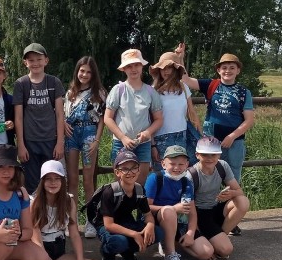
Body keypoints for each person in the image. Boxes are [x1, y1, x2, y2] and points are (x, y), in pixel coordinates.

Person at [177, 45, 254, 183]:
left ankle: (230, 203)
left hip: (235, 141)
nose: (227, 71)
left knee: (233, 176)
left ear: (238, 70)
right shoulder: (210, 85)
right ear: (218, 70)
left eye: (232, 67)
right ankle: (209, 203)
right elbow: (186, 80)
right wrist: (180, 59)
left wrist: (231, 137)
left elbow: (249, 120)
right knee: (208, 174)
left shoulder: (244, 92)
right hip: (211, 139)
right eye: (224, 68)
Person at [145, 145, 215, 260]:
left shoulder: (186, 182)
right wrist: (173, 208)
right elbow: (145, 207)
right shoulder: (155, 178)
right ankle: (170, 254)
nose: (177, 168)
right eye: (172, 163)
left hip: (180, 221)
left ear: (187, 164)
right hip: (158, 219)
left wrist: (190, 233)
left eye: (181, 164)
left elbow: (192, 212)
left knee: (206, 253)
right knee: (169, 211)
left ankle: (172, 243)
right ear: (163, 164)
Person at [31, 160, 99, 260]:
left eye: (57, 178)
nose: (53, 183)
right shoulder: (34, 203)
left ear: (63, 181)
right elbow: (37, 242)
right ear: (42, 181)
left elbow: (74, 234)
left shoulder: (68, 201)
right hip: (40, 253)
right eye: (48, 179)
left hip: (58, 252)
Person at [91, 149, 162, 260]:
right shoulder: (110, 192)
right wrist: (134, 234)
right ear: (117, 172)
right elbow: (108, 225)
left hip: (126, 222)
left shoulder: (139, 190)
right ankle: (107, 252)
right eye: (125, 169)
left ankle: (128, 252)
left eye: (134, 168)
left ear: (139, 170)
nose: (130, 172)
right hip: (106, 225)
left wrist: (150, 225)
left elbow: (148, 214)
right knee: (119, 241)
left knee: (158, 232)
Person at [103, 48, 163, 185]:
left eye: (136, 65)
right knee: (120, 183)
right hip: (120, 142)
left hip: (143, 143)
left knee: (140, 184)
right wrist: (123, 137)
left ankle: (138, 207)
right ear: (123, 69)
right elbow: (108, 118)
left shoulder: (150, 91)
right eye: (129, 66)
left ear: (142, 66)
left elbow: (159, 119)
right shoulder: (118, 90)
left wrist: (148, 132)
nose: (133, 69)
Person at [13, 43, 65, 193]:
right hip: (29, 142)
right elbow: (18, 117)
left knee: (52, 181)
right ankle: (33, 215)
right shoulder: (21, 83)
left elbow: (60, 114)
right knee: (31, 184)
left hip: (50, 140)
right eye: (31, 60)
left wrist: (60, 143)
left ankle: (52, 215)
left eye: (38, 59)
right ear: (25, 63)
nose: (35, 63)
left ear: (46, 60)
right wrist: (21, 145)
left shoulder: (54, 82)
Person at [63, 56, 106, 238]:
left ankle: (90, 220)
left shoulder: (100, 92)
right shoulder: (70, 92)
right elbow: (63, 113)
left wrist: (97, 140)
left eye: (88, 72)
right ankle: (71, 220)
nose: (85, 74)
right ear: (77, 71)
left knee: (88, 180)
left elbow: (103, 118)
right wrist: (63, 125)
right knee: (72, 180)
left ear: (93, 73)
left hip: (89, 133)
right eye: (82, 70)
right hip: (71, 134)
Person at [191, 137, 250, 258]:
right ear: (197, 155)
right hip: (199, 213)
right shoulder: (191, 174)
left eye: (213, 155)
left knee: (242, 201)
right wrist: (195, 233)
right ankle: (212, 239)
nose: (209, 158)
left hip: (215, 206)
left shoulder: (222, 166)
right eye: (205, 155)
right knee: (225, 250)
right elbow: (189, 208)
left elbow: (239, 191)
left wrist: (231, 194)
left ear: (219, 155)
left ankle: (222, 234)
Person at [149, 52, 202, 170]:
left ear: (175, 69)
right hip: (160, 138)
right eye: (162, 68)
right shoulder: (153, 90)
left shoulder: (183, 87)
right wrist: (152, 145)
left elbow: (191, 112)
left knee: (182, 172)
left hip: (182, 135)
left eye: (169, 68)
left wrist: (200, 134)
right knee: (163, 174)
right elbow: (149, 119)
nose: (165, 71)